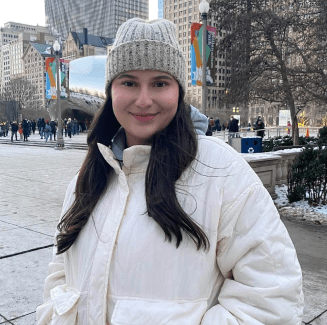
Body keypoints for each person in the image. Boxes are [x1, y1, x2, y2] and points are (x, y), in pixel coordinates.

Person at [36, 18, 303, 325]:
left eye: (160, 83)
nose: (144, 99)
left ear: (178, 90)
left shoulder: (221, 171)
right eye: (129, 82)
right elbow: (60, 274)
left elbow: (273, 298)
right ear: (111, 92)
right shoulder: (88, 177)